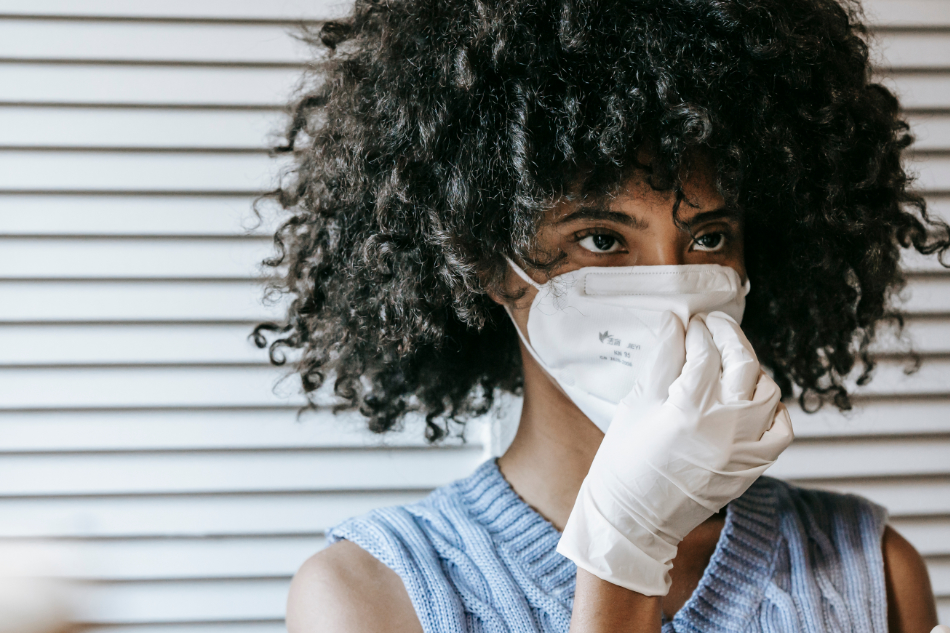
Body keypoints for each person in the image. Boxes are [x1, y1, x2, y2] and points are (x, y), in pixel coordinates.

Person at [253, 0, 949, 630]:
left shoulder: (871, 572)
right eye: (602, 239)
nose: (672, 287)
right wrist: (623, 549)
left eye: (707, 238)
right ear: (488, 263)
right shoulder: (371, 595)